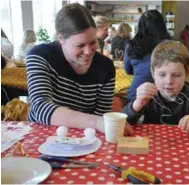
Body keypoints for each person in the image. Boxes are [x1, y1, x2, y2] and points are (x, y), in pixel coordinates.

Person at [26, 3, 133, 135]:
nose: (88, 51)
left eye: (93, 42)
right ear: (61, 39)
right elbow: (40, 108)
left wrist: (100, 123)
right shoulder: (40, 56)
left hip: (85, 140)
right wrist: (97, 122)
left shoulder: (105, 67)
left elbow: (101, 115)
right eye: (80, 45)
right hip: (40, 138)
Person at [123, 40, 189, 133]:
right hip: (151, 148)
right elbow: (122, 121)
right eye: (162, 75)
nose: (169, 81)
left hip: (183, 150)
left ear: (187, 74)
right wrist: (137, 104)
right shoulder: (147, 94)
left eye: (176, 75)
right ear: (152, 73)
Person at [124, 10, 172, 102]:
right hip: (164, 97)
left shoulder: (132, 44)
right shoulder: (170, 45)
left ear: (140, 25)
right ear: (162, 25)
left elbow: (128, 70)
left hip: (136, 95)